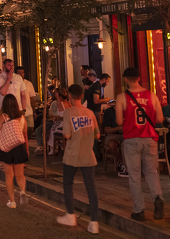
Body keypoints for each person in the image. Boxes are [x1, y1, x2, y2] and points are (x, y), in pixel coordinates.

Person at [115, 67, 164, 222]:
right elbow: (160, 119)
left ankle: (139, 210)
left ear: (125, 80)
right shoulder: (152, 95)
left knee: (135, 176)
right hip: (150, 138)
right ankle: (158, 197)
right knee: (151, 172)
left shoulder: (122, 97)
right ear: (138, 78)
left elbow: (118, 121)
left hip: (131, 139)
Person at [56, 84, 100, 234]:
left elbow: (67, 135)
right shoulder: (90, 113)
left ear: (69, 96)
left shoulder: (69, 112)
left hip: (73, 154)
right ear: (82, 96)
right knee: (91, 189)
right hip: (88, 155)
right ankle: (94, 222)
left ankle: (70, 215)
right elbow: (97, 134)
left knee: (68, 184)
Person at [0, 93, 29, 209]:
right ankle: (22, 192)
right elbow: (25, 135)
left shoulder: (3, 117)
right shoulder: (22, 118)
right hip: (19, 147)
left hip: (7, 148)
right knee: (20, 174)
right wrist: (26, 149)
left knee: (9, 175)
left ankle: (12, 202)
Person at [102, 104, 127, 177]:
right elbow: (107, 130)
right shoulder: (109, 112)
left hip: (125, 135)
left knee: (131, 143)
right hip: (112, 135)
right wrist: (119, 128)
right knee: (112, 144)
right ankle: (122, 162)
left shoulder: (127, 111)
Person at [14, 66, 37, 132]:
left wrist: (34, 110)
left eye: (22, 72)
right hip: (18, 111)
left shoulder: (28, 83)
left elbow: (32, 98)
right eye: (19, 73)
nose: (21, 74)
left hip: (28, 111)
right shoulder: (13, 83)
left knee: (30, 129)